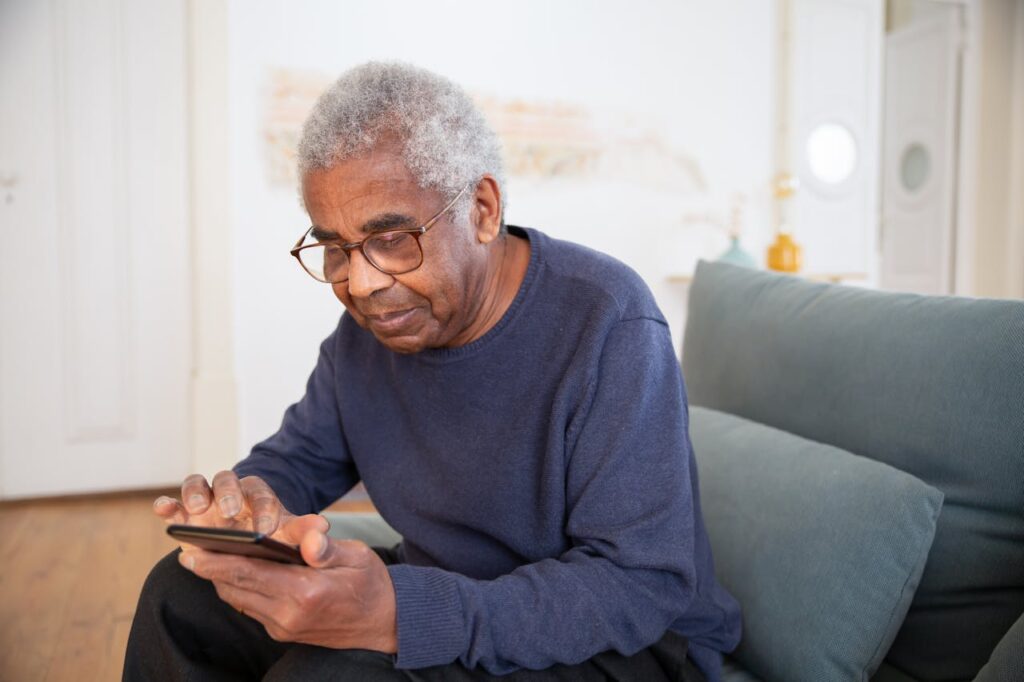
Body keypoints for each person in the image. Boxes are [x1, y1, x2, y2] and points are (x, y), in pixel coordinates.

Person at [124, 61, 741, 682]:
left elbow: (637, 585)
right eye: (336, 249)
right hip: (458, 592)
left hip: (623, 647)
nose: (361, 284)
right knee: (181, 598)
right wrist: (247, 508)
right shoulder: (366, 339)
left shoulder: (608, 324)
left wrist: (398, 614)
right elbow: (296, 461)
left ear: (481, 209)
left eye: (392, 238)